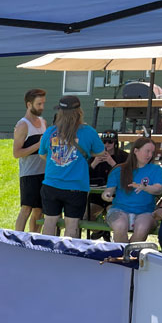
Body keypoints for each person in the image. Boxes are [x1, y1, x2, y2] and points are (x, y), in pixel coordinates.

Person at [38, 95, 106, 238]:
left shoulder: (50, 132)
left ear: (60, 113)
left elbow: (43, 154)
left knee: (49, 222)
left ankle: (45, 254)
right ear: (79, 111)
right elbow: (100, 152)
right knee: (72, 225)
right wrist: (87, 151)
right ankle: (69, 257)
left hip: (51, 184)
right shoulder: (88, 132)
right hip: (76, 187)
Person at [101, 136, 162, 243]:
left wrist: (145, 187)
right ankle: (121, 255)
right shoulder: (119, 169)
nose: (150, 155)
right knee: (120, 226)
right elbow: (109, 191)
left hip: (146, 212)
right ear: (136, 151)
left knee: (142, 228)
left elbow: (158, 189)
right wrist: (106, 195)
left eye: (152, 152)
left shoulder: (156, 169)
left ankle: (129, 255)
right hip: (119, 209)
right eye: (147, 151)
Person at [12, 88, 47, 232]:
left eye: (43, 103)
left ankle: (34, 239)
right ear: (29, 104)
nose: (42, 107)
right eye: (39, 104)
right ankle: (16, 239)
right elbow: (16, 153)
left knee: (39, 210)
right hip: (29, 173)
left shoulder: (44, 122)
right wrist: (38, 145)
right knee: (26, 209)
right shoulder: (23, 125)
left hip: (45, 173)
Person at [87, 132, 128, 223]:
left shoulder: (124, 156)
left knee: (114, 216)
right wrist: (94, 163)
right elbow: (85, 174)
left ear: (115, 143)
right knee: (87, 215)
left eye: (110, 142)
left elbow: (126, 176)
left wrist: (112, 163)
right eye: (104, 142)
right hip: (96, 195)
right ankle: (100, 232)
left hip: (115, 195)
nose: (107, 144)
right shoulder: (94, 155)